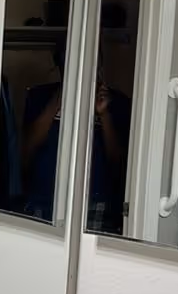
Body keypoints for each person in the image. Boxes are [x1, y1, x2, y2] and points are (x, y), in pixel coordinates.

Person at [20, 50, 130, 230]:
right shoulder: (40, 96)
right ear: (60, 66)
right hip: (45, 195)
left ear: (99, 68)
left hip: (96, 200)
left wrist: (103, 114)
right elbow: (27, 150)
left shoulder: (115, 102)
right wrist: (59, 98)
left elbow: (117, 162)